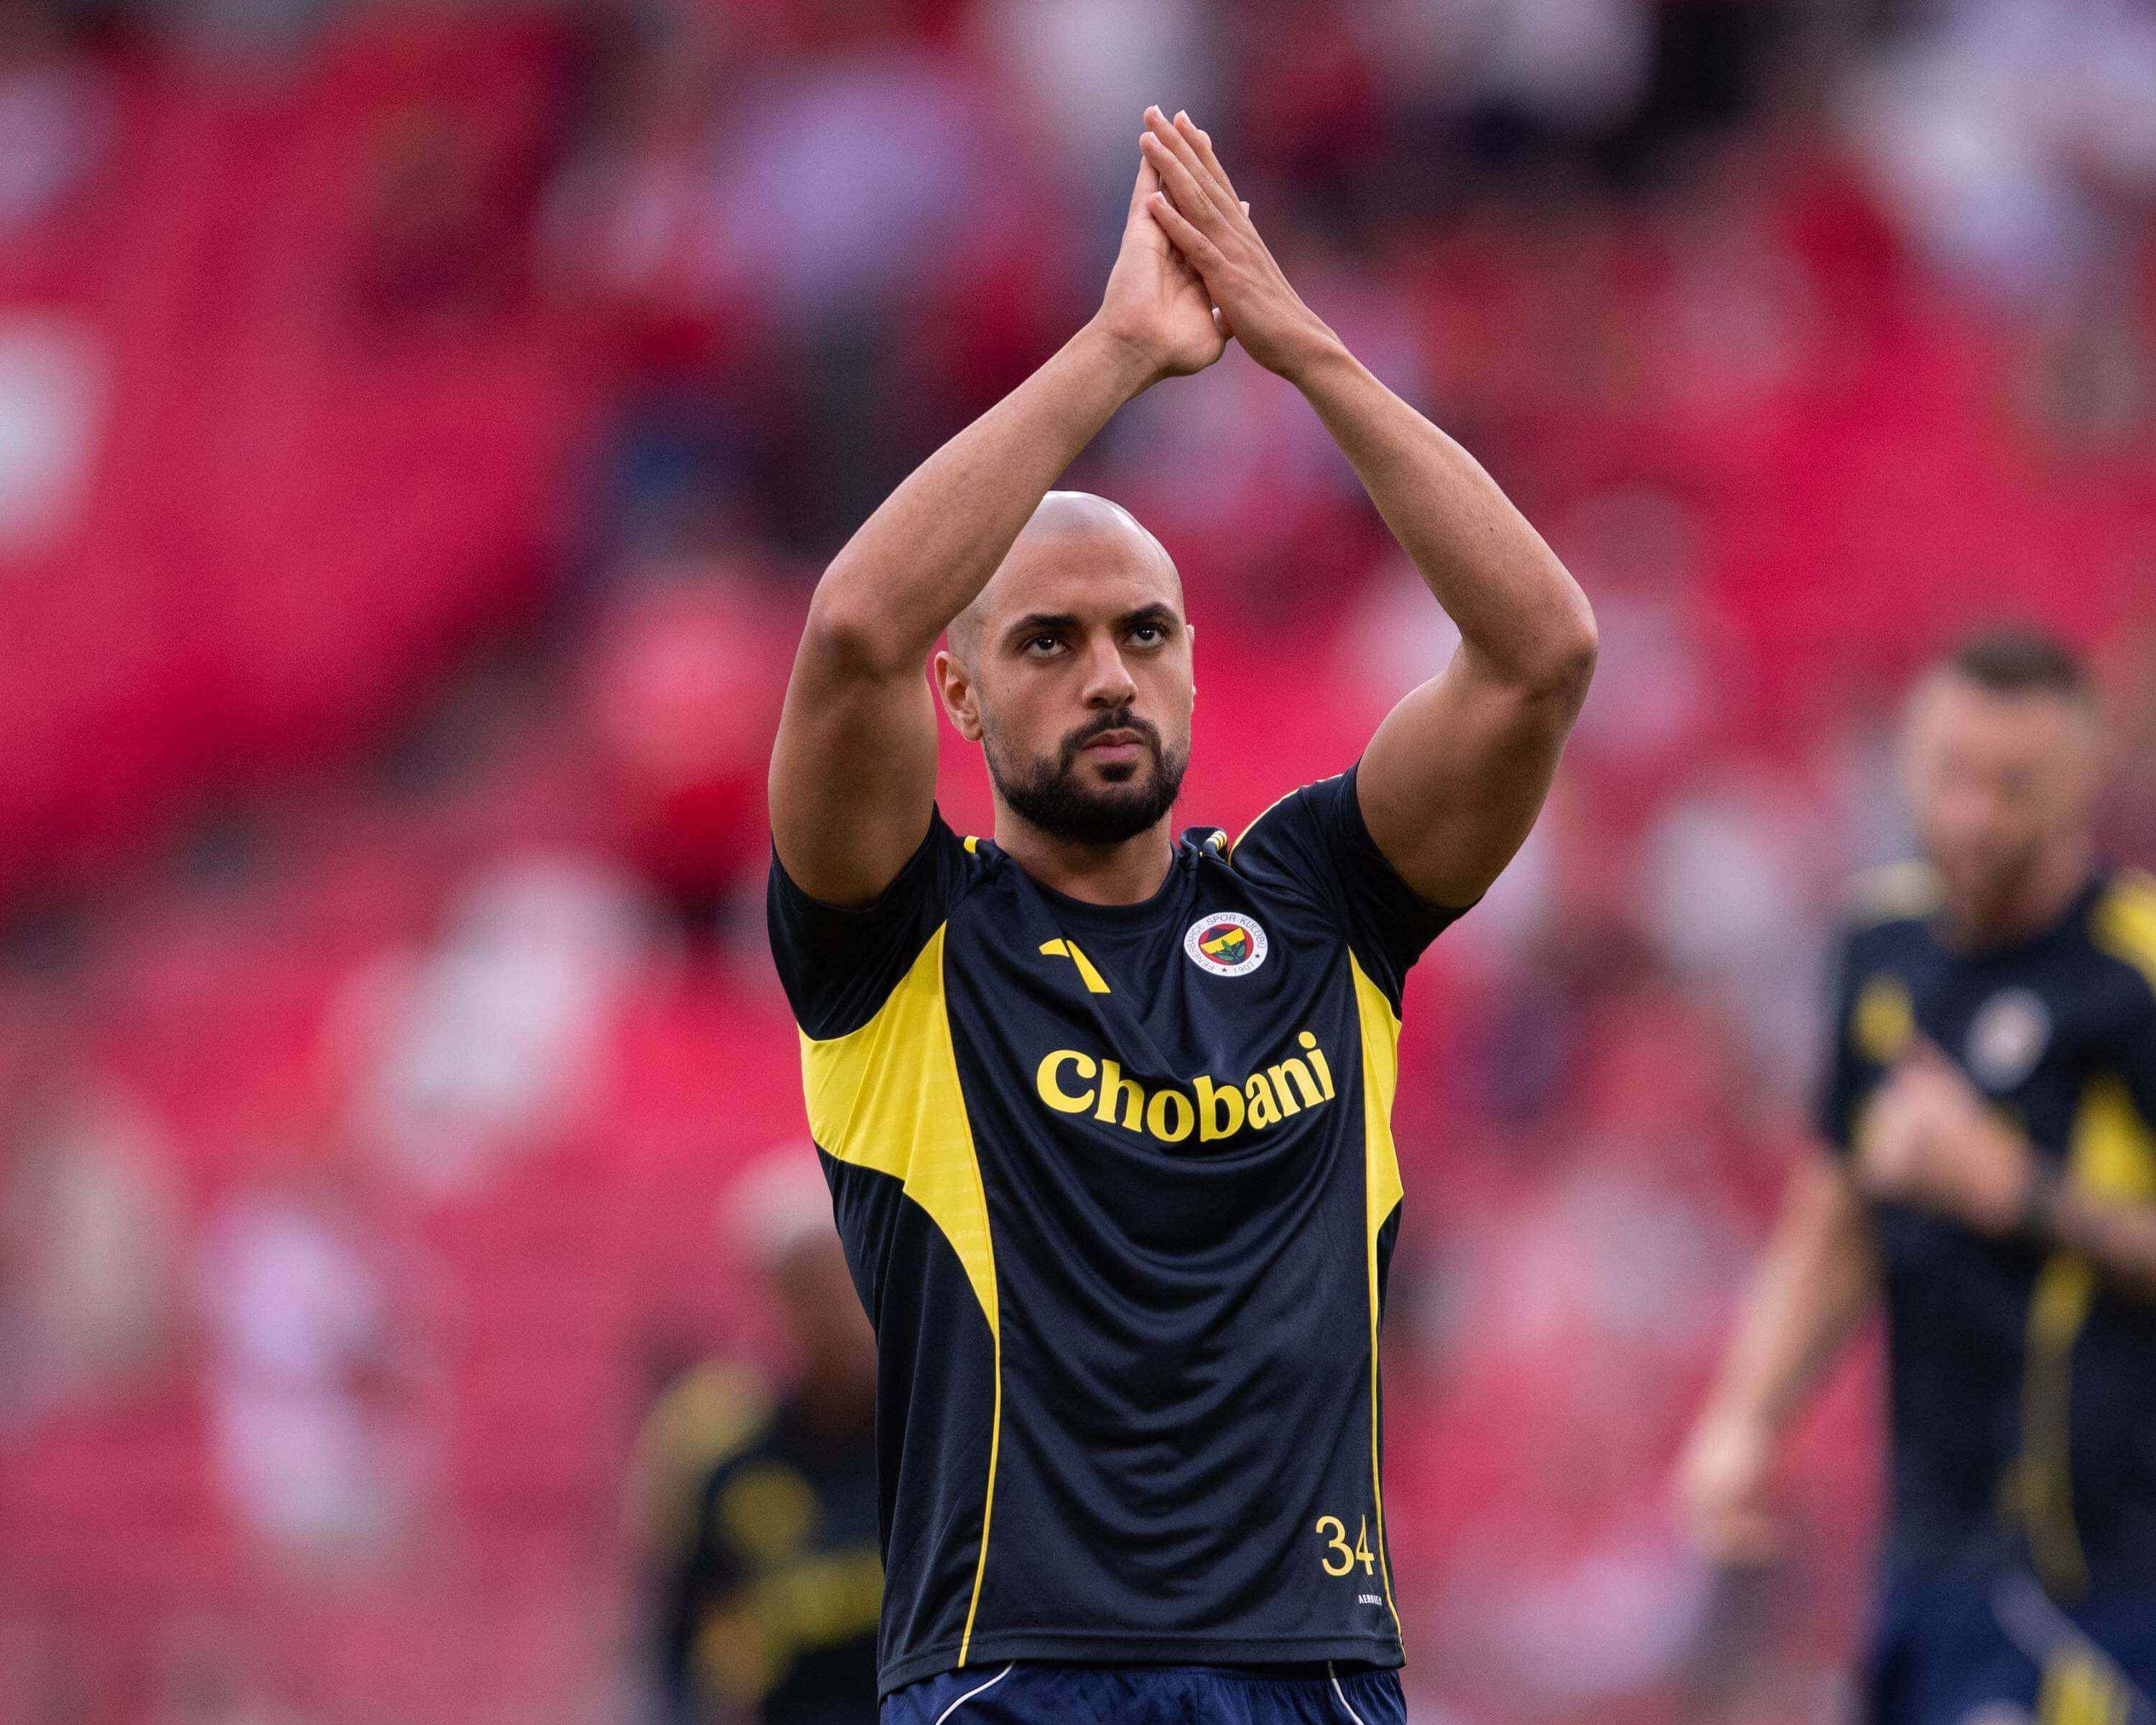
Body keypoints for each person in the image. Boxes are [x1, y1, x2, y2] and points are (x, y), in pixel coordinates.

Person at [763, 106, 1597, 1724]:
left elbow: (1540, 655)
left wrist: (1301, 351)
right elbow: (853, 631)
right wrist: (1120, 350)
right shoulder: (903, 945)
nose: (1108, 678)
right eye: (1048, 644)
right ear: (962, 690)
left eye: (1145, 635)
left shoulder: (1320, 905)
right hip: (1012, 1675)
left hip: (1313, 1668)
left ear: (1195, 660)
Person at [1677, 629, 2156, 1725]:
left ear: (2083, 779)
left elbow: (1990, 1188)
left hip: (2097, 1571)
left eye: (2013, 785)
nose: (1974, 814)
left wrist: (2015, 1188)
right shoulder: (1877, 942)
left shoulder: (2128, 973)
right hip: (1926, 1560)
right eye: (1950, 775)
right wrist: (1746, 1416)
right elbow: (1837, 1198)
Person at [630, 1152, 881, 1725]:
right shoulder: (726, 1460)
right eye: (813, 1289)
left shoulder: (944, 1444)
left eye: (854, 1279)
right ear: (773, 1298)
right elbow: (677, 1652)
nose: (843, 1313)